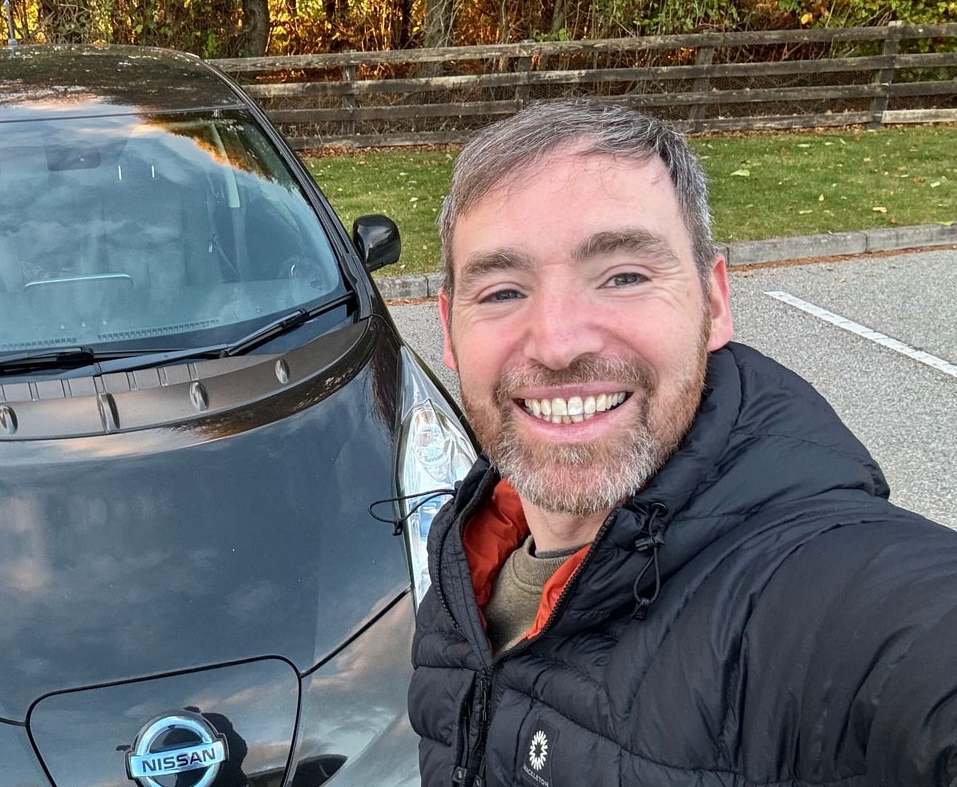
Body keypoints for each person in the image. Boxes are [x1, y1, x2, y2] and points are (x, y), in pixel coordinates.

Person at [409, 100, 957, 786]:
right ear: (449, 327)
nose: (556, 343)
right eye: (500, 291)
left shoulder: (813, 591)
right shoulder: (467, 567)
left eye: (625, 276)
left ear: (714, 301)